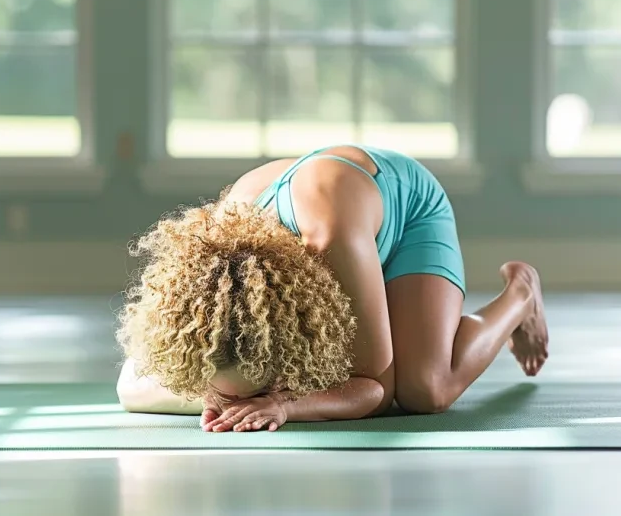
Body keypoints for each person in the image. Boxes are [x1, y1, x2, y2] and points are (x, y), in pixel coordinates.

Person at [116, 144, 548, 433]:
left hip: (404, 211)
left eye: (267, 385)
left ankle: (521, 294)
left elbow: (377, 389)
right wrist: (214, 394)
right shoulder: (204, 275)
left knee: (424, 389)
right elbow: (129, 387)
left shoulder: (330, 240)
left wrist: (287, 406)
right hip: (320, 216)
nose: (257, 398)